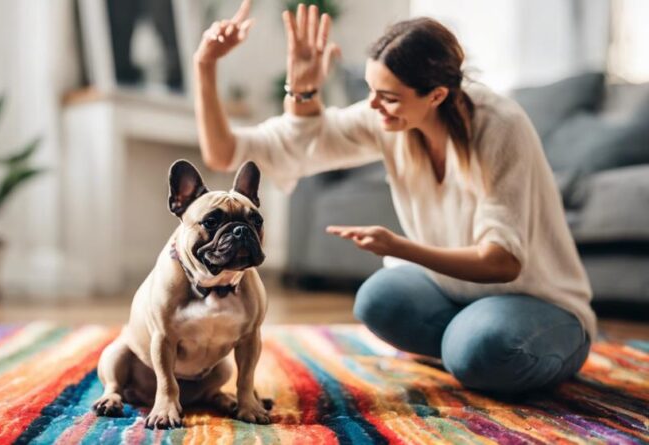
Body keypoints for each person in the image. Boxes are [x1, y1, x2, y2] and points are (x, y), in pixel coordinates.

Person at [192, 0, 595, 394]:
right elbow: (226, 153)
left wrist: (399, 246)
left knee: (479, 351)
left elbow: (503, 261)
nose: (373, 106)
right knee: (378, 299)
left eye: (389, 97)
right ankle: (467, 342)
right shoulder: (390, 116)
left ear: (436, 95)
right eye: (371, 90)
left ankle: (494, 346)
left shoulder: (500, 126)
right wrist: (213, 67)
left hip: (538, 301)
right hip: (454, 291)